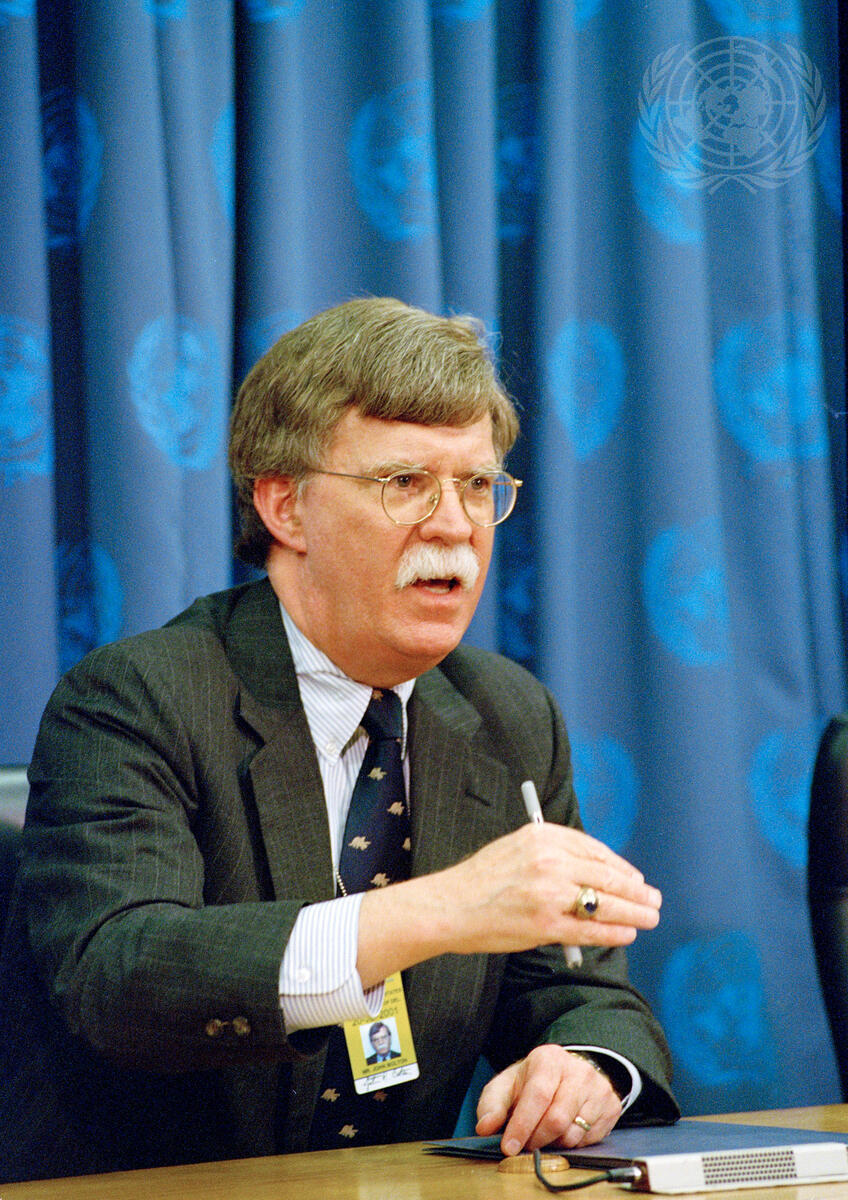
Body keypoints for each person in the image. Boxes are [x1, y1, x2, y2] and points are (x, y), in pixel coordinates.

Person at [0, 297, 678, 1182]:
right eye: (406, 482)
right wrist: (442, 909)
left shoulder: (508, 716)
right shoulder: (139, 697)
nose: (454, 524)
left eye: (478, 485)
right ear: (286, 506)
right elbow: (118, 975)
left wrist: (588, 1068)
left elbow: (578, 987)